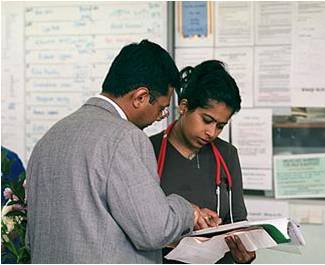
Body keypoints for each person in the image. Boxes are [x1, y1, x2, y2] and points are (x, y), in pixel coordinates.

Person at [26, 40, 219, 264]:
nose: (160, 117)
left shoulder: (51, 136)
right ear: (140, 97)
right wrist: (188, 210)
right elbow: (155, 230)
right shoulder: (125, 138)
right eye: (161, 108)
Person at [150, 60, 256, 263]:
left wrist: (245, 255)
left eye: (220, 126)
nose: (211, 133)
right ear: (184, 106)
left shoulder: (227, 155)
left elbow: (237, 222)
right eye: (207, 120)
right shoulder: (147, 151)